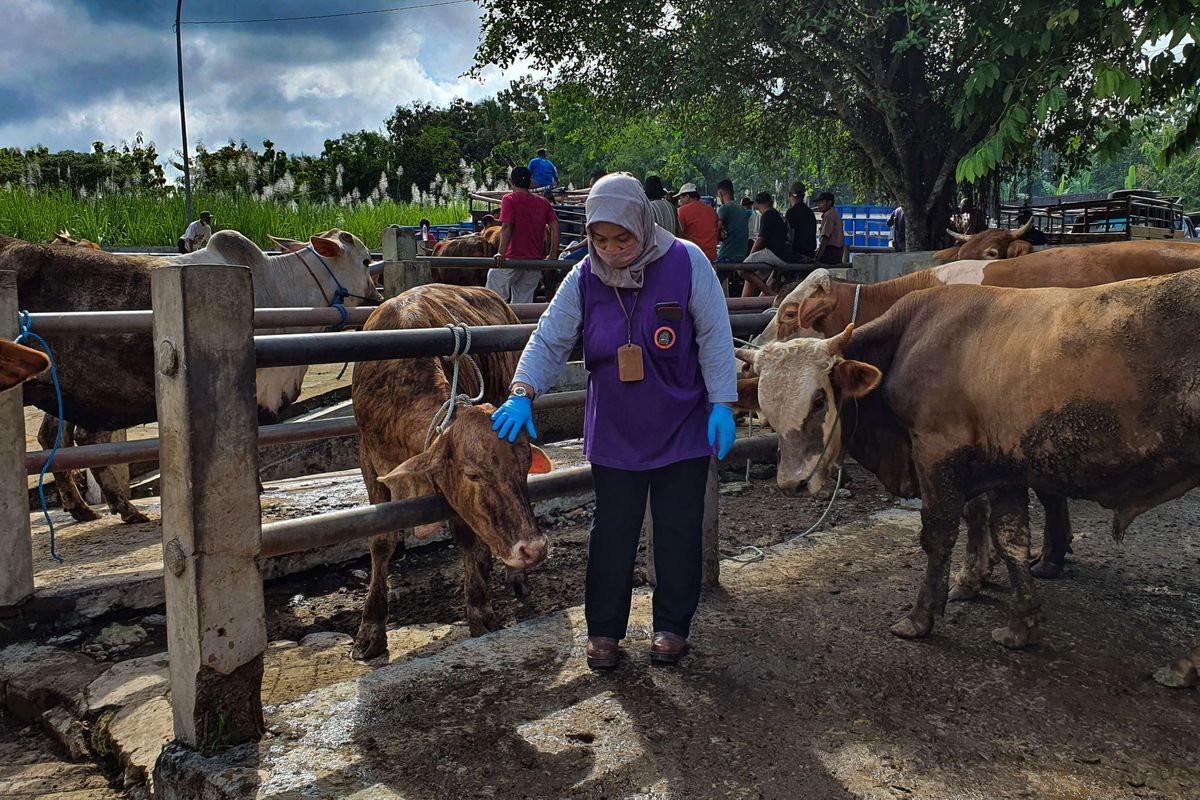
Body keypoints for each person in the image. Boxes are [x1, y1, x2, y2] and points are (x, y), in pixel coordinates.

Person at [491, 173, 737, 669]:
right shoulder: (584, 275)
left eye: (622, 238)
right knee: (612, 532)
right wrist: (522, 392)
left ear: (642, 223)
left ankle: (672, 627)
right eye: (600, 239)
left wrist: (723, 403)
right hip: (615, 430)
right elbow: (550, 337)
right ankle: (603, 632)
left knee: (677, 529)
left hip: (682, 424)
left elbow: (714, 334)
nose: (612, 250)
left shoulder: (688, 261)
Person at [488, 166, 560, 303]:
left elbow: (507, 226)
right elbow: (555, 226)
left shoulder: (509, 199)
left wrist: (500, 253)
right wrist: (552, 254)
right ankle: (519, 318)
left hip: (511, 259)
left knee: (494, 295)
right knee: (523, 302)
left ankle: (496, 317)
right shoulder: (543, 202)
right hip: (533, 262)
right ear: (529, 183)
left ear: (512, 182)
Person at [738, 192, 791, 296]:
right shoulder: (777, 214)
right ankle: (757, 300)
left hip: (774, 253)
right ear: (771, 202)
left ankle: (771, 294)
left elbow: (760, 240)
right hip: (785, 253)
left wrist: (750, 256)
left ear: (757, 205)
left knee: (742, 269)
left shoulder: (767, 215)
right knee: (756, 275)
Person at [674, 182, 720, 262]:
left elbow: (678, 236)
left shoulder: (681, 211)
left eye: (680, 198)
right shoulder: (712, 211)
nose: (679, 201)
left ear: (687, 197)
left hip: (692, 258)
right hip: (711, 258)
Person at [715, 179, 749, 264]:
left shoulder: (724, 208)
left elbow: (715, 233)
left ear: (720, 194)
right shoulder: (742, 209)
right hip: (742, 255)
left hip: (726, 255)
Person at [785, 182, 816, 261]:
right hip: (810, 253)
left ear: (790, 194)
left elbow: (789, 236)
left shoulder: (791, 212)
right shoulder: (810, 213)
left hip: (796, 254)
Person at [815, 192, 846, 265]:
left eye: (821, 202)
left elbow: (825, 238)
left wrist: (817, 257)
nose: (818, 205)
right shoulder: (835, 214)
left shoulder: (828, 215)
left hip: (830, 252)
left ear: (829, 202)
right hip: (837, 252)